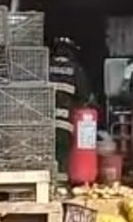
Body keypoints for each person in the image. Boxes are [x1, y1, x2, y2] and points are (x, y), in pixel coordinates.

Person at [49, 37, 90, 172]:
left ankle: (49, 176)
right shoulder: (75, 69)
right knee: (62, 151)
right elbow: (83, 94)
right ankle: (60, 177)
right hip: (64, 120)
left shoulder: (45, 66)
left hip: (45, 120)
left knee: (46, 151)